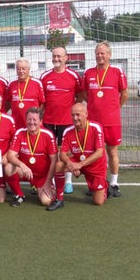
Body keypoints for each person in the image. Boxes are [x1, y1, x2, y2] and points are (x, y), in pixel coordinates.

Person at [83, 41, 129, 197]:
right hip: (93, 122)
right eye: (97, 53)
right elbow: (84, 94)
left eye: (103, 53)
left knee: (112, 151)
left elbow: (125, 94)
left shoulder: (117, 71)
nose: (100, 55)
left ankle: (114, 183)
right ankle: (96, 183)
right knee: (94, 153)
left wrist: (115, 108)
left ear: (109, 55)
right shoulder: (89, 73)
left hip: (112, 121)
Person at [40, 46, 82, 195]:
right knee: (49, 152)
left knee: (67, 152)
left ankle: (68, 181)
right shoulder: (45, 77)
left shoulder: (74, 76)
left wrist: (72, 112)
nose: (56, 59)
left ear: (66, 58)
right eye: (54, 56)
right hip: (48, 121)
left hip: (67, 122)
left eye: (59, 56)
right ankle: (50, 180)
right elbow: (42, 101)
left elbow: (80, 95)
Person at [52, 102, 108, 209]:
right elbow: (62, 153)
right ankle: (59, 199)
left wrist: (80, 164)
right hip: (77, 162)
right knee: (59, 165)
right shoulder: (68, 131)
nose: (75, 118)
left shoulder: (96, 127)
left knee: (98, 202)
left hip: (95, 166)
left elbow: (99, 153)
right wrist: (70, 164)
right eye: (73, 115)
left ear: (86, 114)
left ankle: (106, 186)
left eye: (78, 114)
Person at [5, 107, 58, 208]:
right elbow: (10, 155)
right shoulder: (20, 133)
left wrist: (47, 182)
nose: (31, 122)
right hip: (25, 172)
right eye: (29, 119)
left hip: (42, 176)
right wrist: (22, 165)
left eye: (34, 120)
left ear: (41, 121)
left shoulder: (48, 135)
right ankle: (19, 194)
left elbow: (54, 160)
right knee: (8, 167)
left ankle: (44, 187)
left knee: (46, 201)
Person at [5, 57, 46, 130]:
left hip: (33, 124)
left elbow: (42, 103)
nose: (21, 71)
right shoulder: (11, 84)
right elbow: (7, 102)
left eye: (23, 69)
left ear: (28, 69)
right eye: (18, 69)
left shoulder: (37, 83)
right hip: (17, 123)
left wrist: (37, 117)